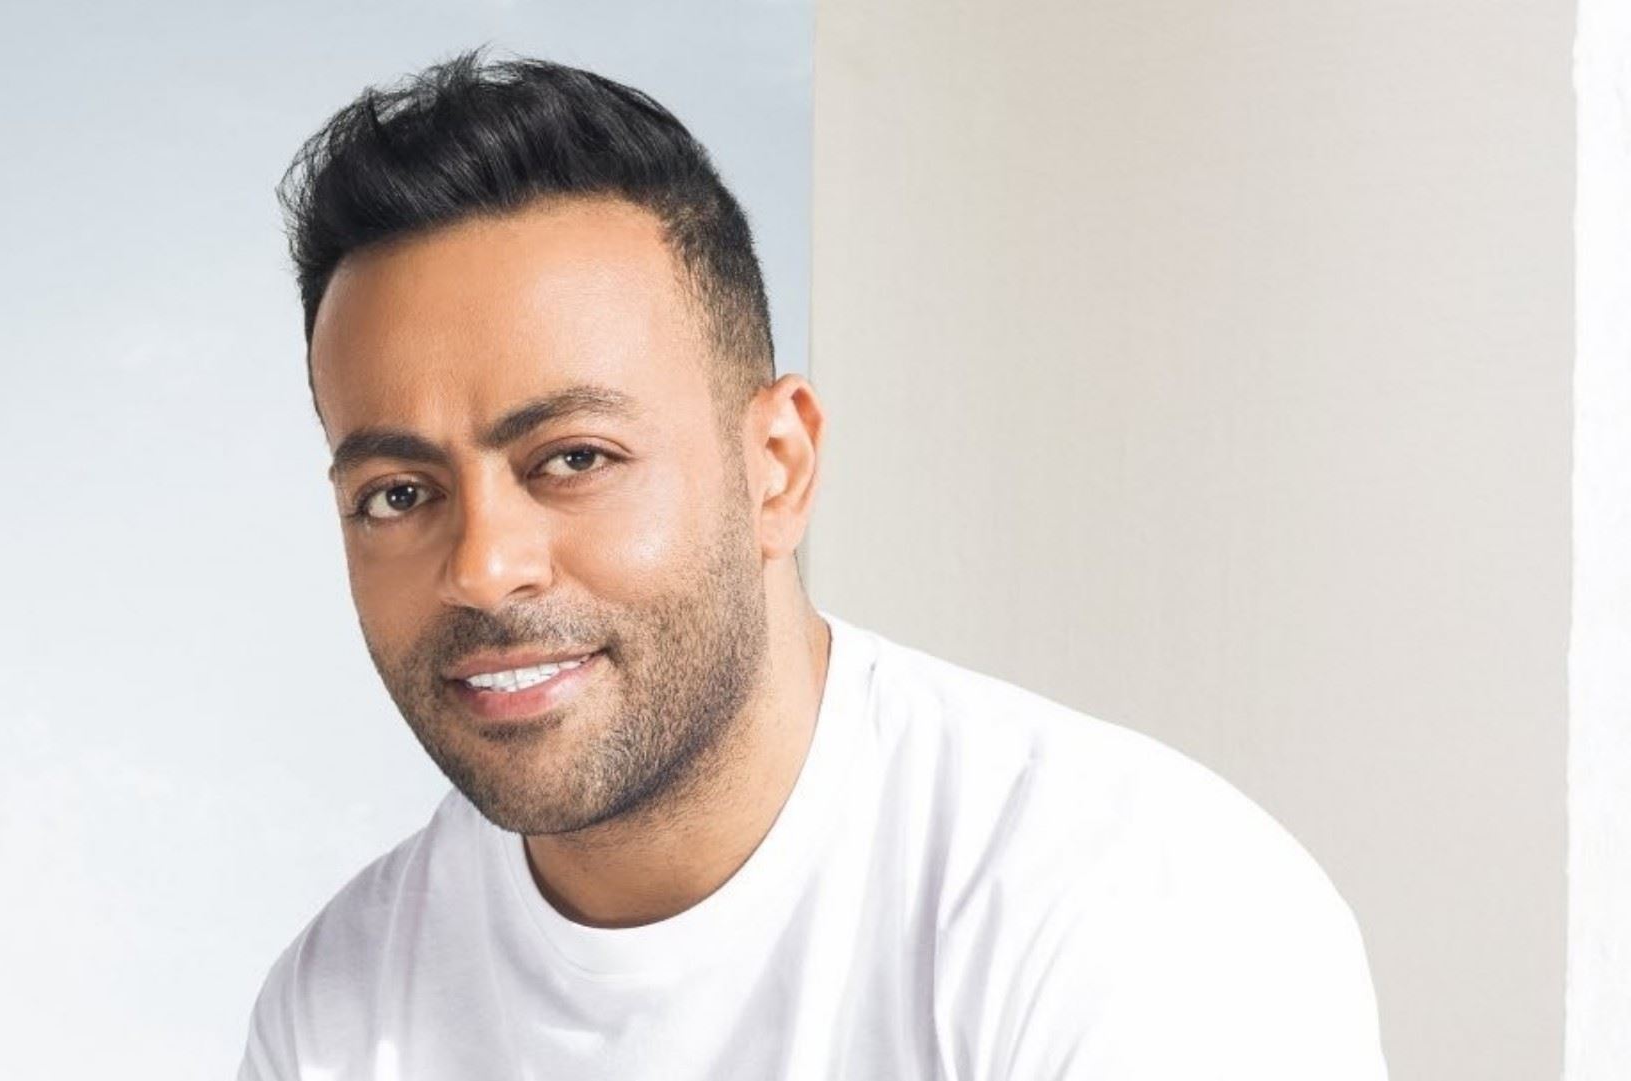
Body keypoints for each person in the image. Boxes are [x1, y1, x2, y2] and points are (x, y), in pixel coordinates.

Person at [236, 47, 1387, 1081]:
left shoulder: (1128, 903)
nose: (484, 568)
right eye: (397, 494)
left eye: (575, 458)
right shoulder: (339, 1012)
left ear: (777, 469)